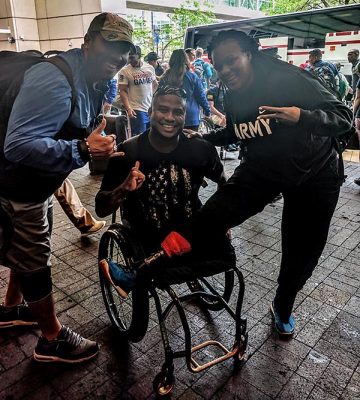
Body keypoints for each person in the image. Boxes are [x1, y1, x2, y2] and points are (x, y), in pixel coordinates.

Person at [167, 30, 351, 337]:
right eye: (219, 65)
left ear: (249, 55)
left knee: (303, 250)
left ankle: (283, 304)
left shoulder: (289, 78)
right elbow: (241, 129)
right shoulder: (231, 91)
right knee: (214, 214)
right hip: (265, 169)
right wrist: (207, 138)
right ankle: (148, 268)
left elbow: (343, 115)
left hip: (316, 174)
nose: (225, 70)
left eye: (231, 61)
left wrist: (301, 116)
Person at [0, 12, 134, 363]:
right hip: (20, 186)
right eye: (111, 45)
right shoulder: (55, 80)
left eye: (124, 50)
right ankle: (51, 339)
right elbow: (17, 145)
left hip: (38, 182)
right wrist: (83, 149)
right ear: (88, 42)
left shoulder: (92, 79)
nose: (118, 57)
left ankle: (12, 308)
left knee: (26, 249)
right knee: (34, 260)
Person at [95, 85, 234, 296]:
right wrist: (123, 188)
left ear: (185, 116)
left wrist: (223, 219)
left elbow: (225, 182)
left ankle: (138, 276)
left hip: (192, 230)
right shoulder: (128, 152)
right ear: (150, 112)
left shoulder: (199, 148)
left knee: (226, 256)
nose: (169, 117)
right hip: (147, 235)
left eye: (177, 112)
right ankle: (143, 274)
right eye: (162, 110)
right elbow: (101, 208)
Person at [159, 49, 210, 131]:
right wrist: (207, 110)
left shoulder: (165, 76)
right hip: (191, 117)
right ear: (186, 60)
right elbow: (201, 96)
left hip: (170, 116)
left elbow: (159, 96)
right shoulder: (193, 76)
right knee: (190, 142)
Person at [118, 45, 157, 136]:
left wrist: (150, 96)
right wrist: (128, 108)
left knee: (151, 136)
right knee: (139, 137)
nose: (129, 60)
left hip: (150, 108)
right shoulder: (124, 71)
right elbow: (122, 90)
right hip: (136, 109)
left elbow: (155, 84)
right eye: (128, 57)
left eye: (132, 57)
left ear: (139, 55)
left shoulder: (150, 68)